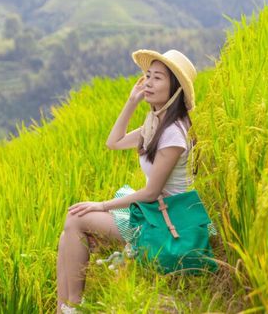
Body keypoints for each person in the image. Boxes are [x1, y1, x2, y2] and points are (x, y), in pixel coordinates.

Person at [56, 49, 198, 314]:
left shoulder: (173, 134)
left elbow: (151, 191)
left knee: (76, 219)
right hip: (153, 213)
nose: (149, 83)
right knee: (69, 229)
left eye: (158, 78)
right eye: (147, 76)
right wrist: (132, 102)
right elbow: (114, 142)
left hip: (166, 225)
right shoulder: (155, 124)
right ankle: (62, 308)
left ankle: (73, 306)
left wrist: (102, 205)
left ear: (175, 89)